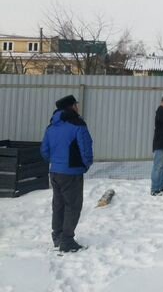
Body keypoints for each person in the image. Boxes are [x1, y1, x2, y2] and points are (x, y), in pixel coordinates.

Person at [40, 94, 94, 253]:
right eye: (75, 105)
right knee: (73, 206)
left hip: (55, 171)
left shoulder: (51, 127)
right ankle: (67, 240)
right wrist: (86, 164)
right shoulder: (78, 125)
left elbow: (44, 150)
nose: (78, 107)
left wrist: (56, 162)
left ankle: (57, 236)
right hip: (72, 172)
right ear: (71, 107)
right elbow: (86, 148)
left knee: (58, 204)